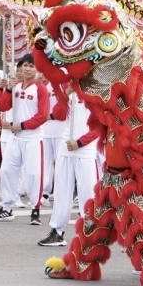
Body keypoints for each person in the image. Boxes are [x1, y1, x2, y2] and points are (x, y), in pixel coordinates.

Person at [0, 55, 50, 224]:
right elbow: (2, 106)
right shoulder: (15, 87)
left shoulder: (40, 89)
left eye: (31, 66)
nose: (27, 69)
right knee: (7, 170)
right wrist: (7, 89)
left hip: (33, 138)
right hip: (16, 138)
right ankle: (6, 208)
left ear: (37, 69)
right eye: (24, 66)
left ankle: (35, 208)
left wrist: (22, 125)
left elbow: (43, 115)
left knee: (33, 174)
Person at [38, 90, 99, 247]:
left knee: (88, 192)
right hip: (66, 146)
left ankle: (90, 233)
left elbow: (100, 126)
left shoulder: (98, 91)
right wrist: (64, 96)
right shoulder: (69, 88)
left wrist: (80, 143)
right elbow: (59, 114)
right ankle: (57, 231)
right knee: (61, 191)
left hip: (86, 150)